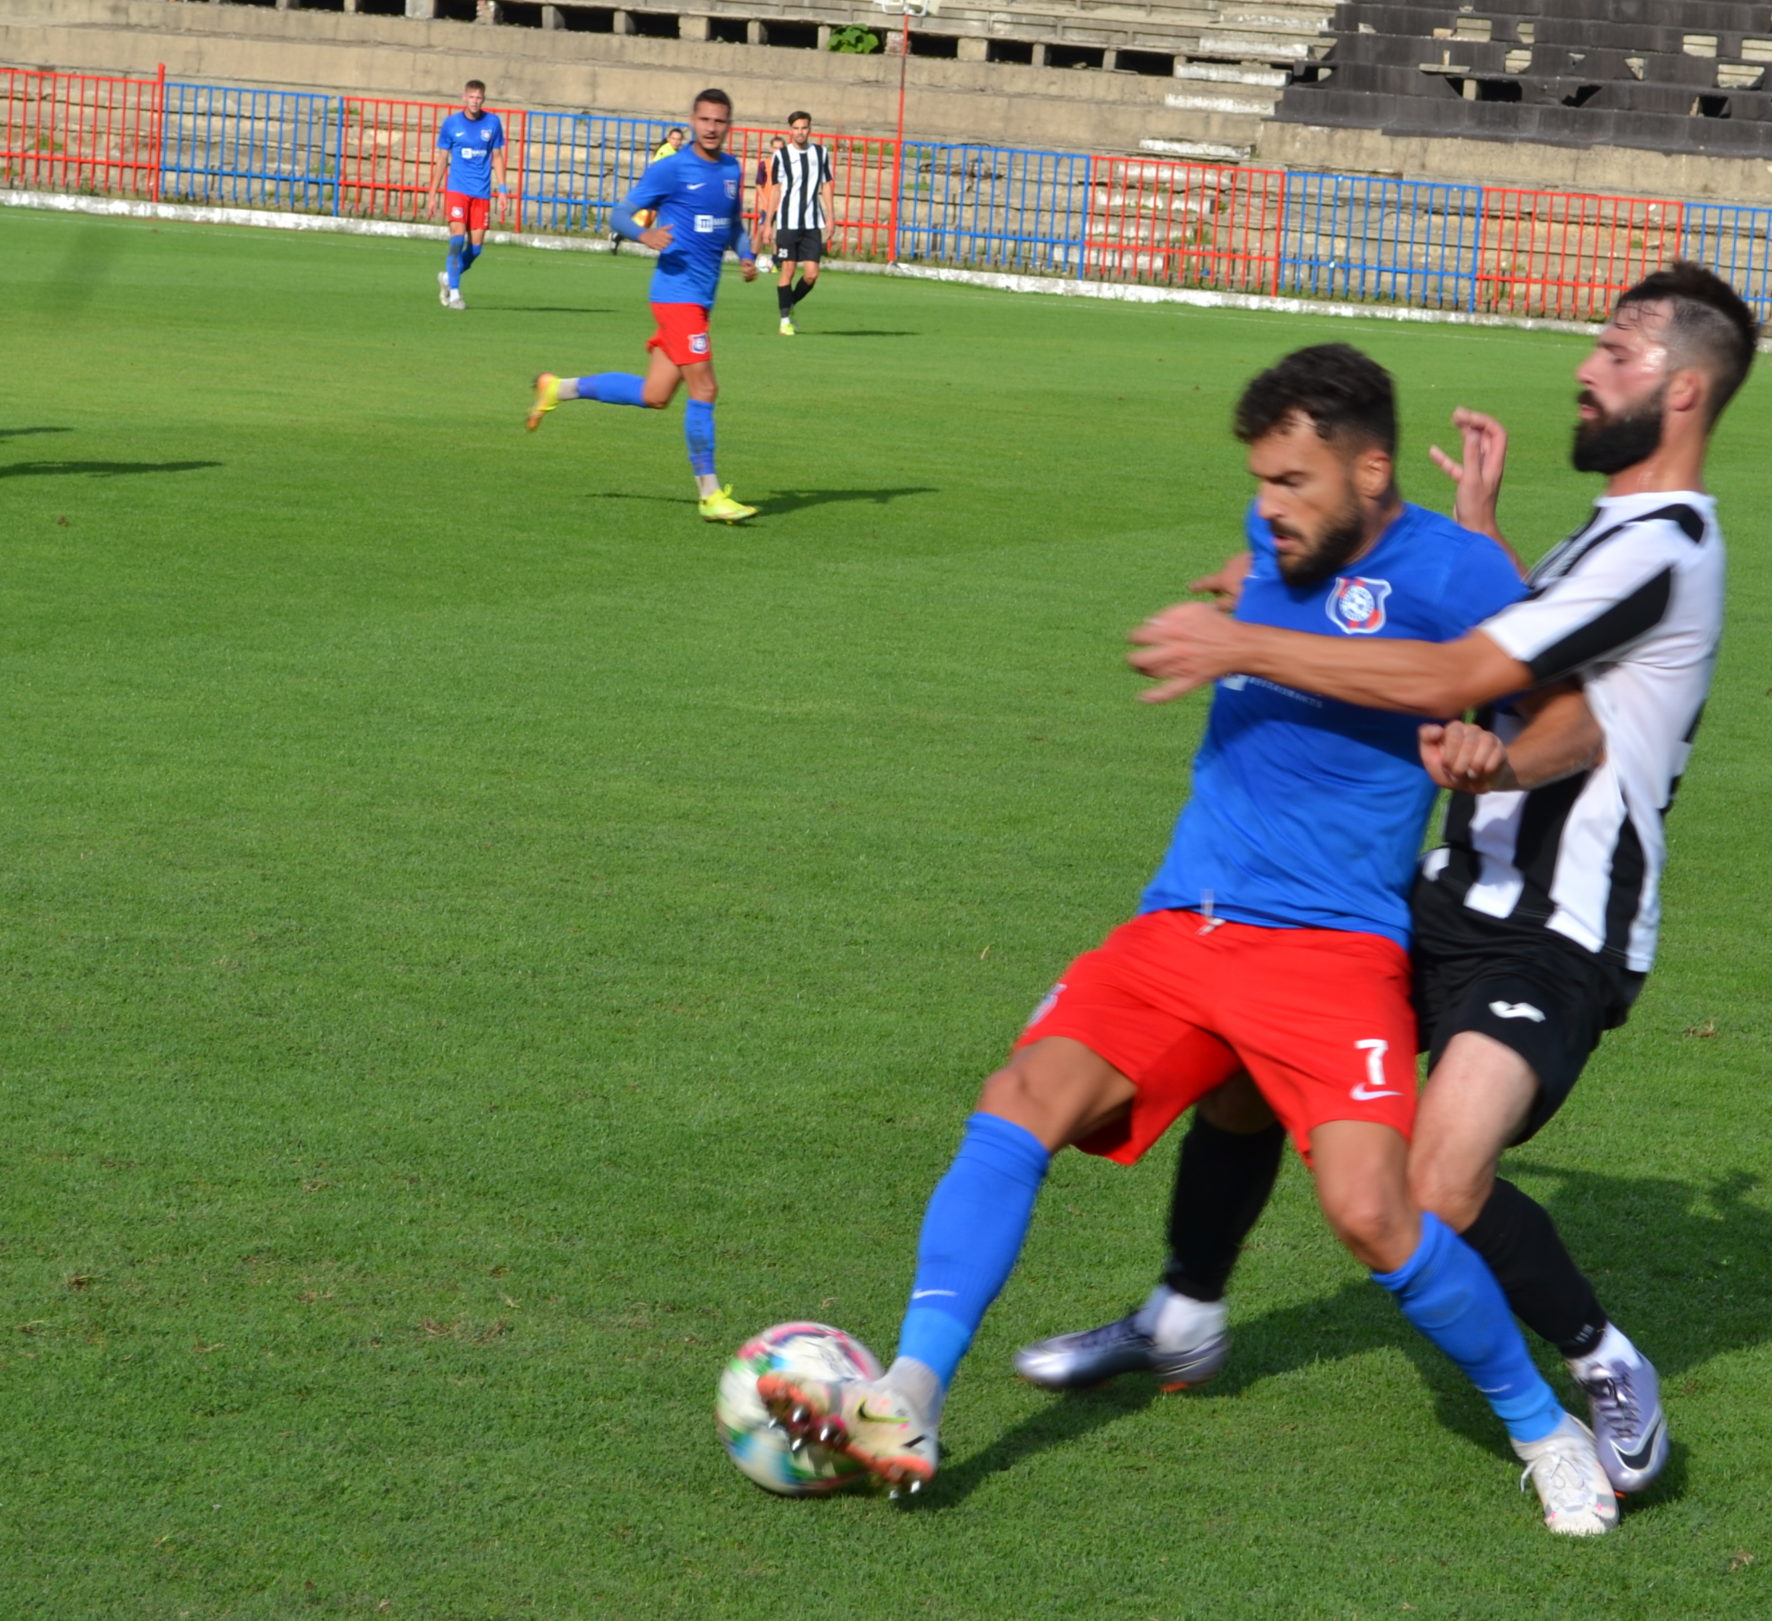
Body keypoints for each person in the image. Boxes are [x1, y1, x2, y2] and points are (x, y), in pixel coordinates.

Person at [755, 344, 1626, 1536]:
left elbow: (1572, 726)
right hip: (1184, 918)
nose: (1270, 505)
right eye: (1260, 481)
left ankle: (1543, 1429)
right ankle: (910, 1390)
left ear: (1372, 472)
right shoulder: (1276, 540)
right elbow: (1283, 589)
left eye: (1294, 481)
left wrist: (1496, 754)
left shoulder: (1454, 567)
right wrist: (1244, 585)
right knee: (1019, 1097)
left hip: (1331, 947)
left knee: (1371, 1210)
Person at [1027, 261, 1757, 1500]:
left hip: (1559, 927)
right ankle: (1184, 1312)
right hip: (1450, 889)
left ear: (1681, 390)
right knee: (1251, 1064)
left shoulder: (1667, 545)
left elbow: (1473, 681)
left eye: (1615, 352)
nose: (1585, 368)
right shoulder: (1614, 531)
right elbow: (1541, 669)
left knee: (1440, 1180)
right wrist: (1478, 540)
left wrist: (1250, 641)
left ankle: (1604, 1357)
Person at [525, 90, 760, 524]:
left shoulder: (731, 169)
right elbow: (619, 215)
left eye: (719, 121)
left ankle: (558, 388)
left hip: (699, 298)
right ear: (692, 120)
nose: (711, 128)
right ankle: (709, 495)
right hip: (676, 296)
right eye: (705, 119)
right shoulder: (671, 168)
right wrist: (644, 235)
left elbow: (732, 225)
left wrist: (746, 254)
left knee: (655, 396)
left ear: (729, 125)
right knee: (705, 389)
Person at [431, 80, 506, 310]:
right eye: (471, 97)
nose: (475, 101)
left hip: (481, 192)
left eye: (479, 97)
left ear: (484, 99)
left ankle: (448, 277)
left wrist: (503, 190)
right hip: (457, 189)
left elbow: (497, 157)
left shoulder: (492, 122)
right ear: (464, 97)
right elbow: (442, 159)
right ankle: (455, 294)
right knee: (457, 239)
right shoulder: (451, 123)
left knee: (476, 249)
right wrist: (432, 192)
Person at [756, 111, 832, 336]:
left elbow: (826, 185)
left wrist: (831, 216)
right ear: (791, 130)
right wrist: (768, 224)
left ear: (810, 129)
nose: (800, 132)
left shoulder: (820, 153)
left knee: (811, 274)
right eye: (796, 128)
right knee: (787, 270)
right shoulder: (781, 156)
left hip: (812, 222)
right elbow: (776, 190)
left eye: (804, 128)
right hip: (788, 222)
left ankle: (789, 304)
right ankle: (784, 321)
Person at [610, 126, 691, 256]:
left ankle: (618, 236)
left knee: (656, 220)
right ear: (668, 139)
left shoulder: (674, 152)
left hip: (664, 191)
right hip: (658, 190)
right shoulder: (666, 151)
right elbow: (659, 170)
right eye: (673, 138)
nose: (676, 141)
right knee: (649, 222)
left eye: (678, 139)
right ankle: (619, 234)